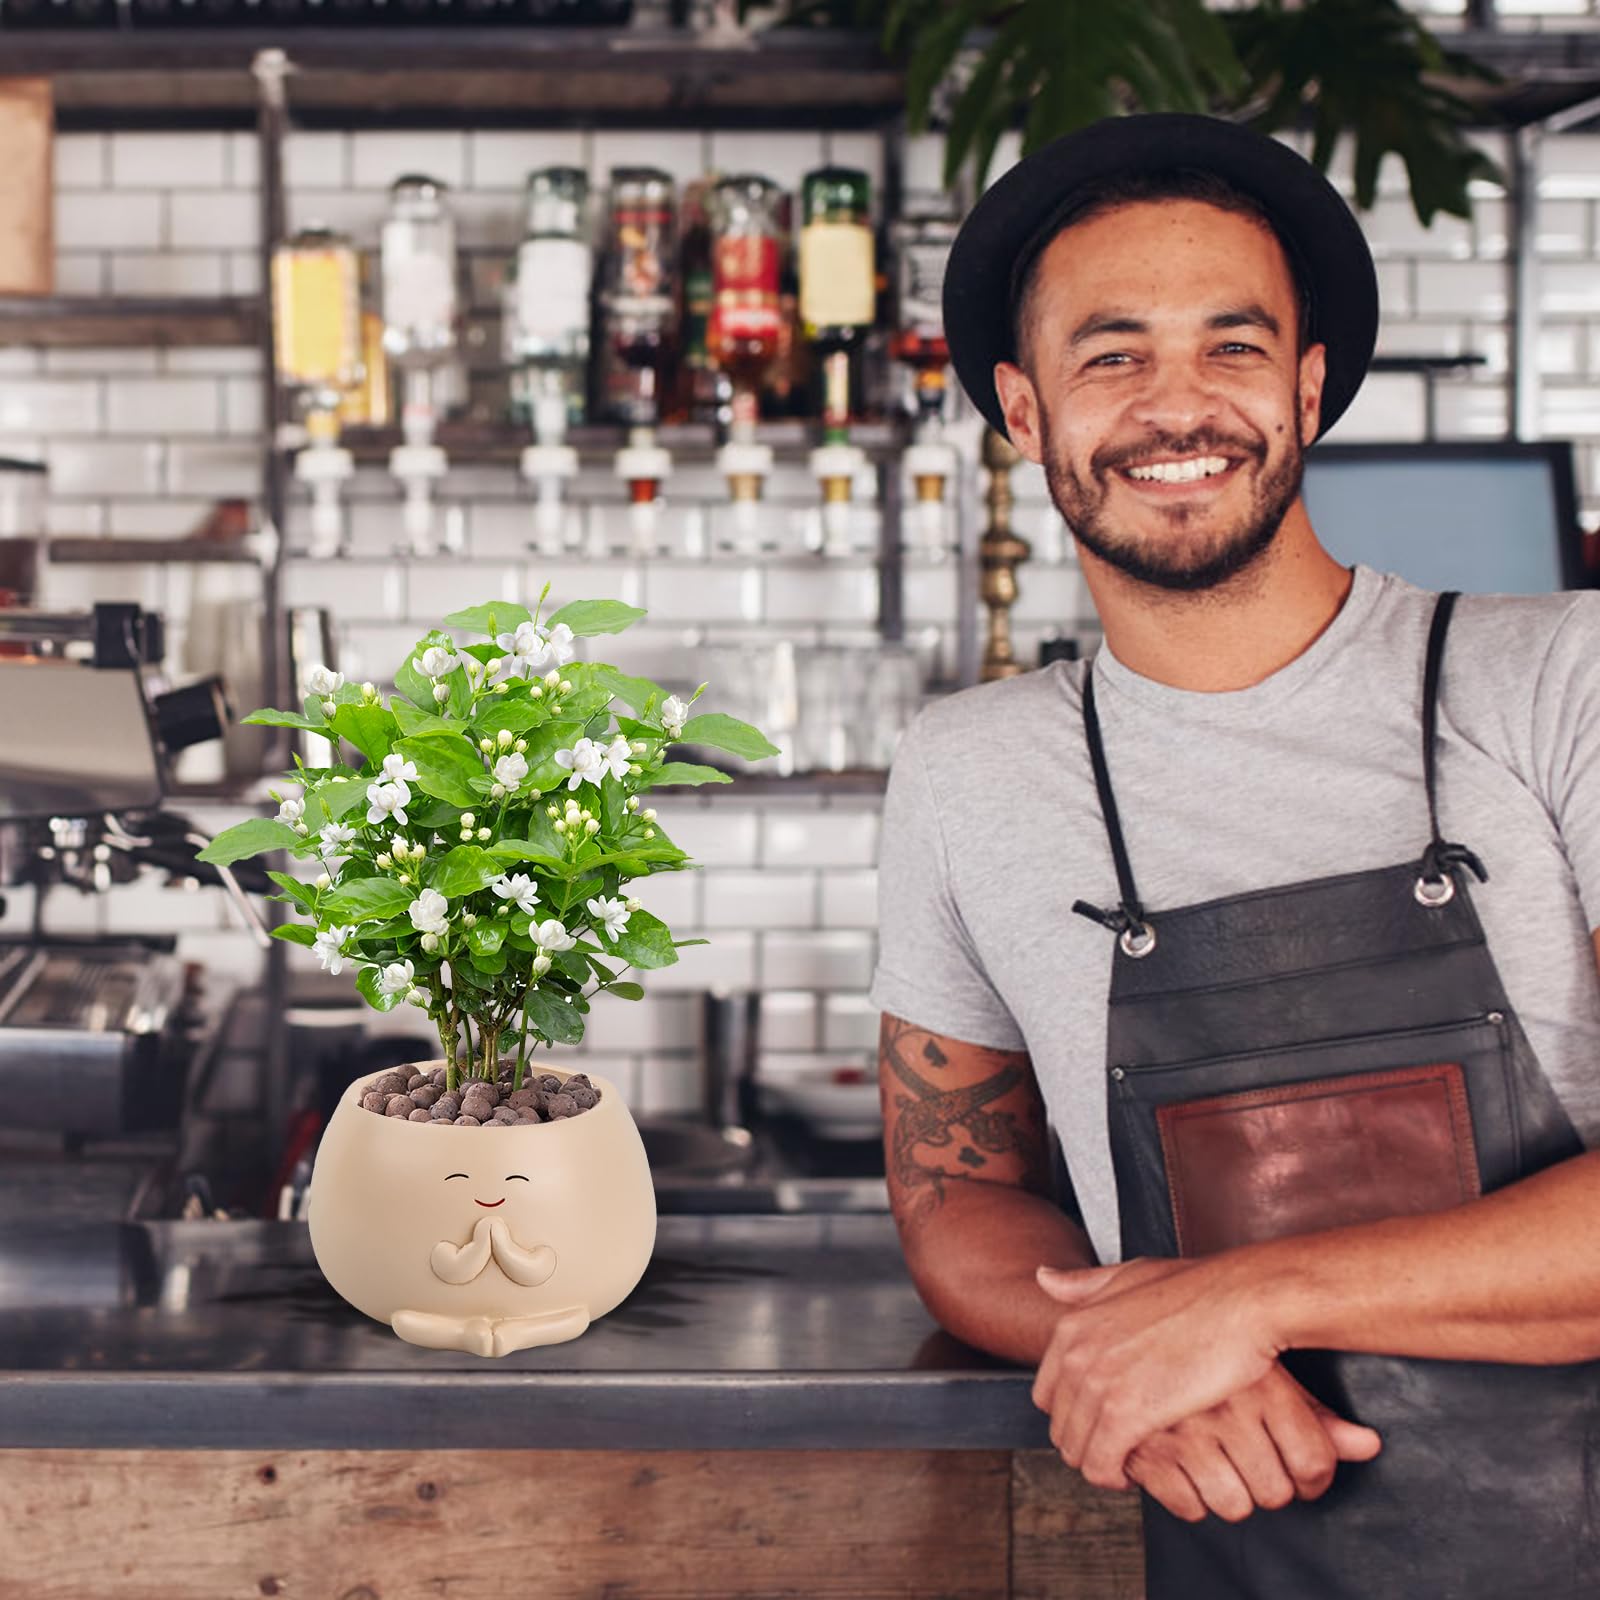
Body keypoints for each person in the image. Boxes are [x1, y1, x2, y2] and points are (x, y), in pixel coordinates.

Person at [869, 112, 1600, 1600]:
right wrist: (1141, 1342)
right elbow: (955, 1200)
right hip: (1238, 1556)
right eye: (1113, 352)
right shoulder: (969, 770)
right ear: (1025, 409)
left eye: (1235, 347)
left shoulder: (1559, 681)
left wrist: (1228, 1310)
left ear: (1310, 388)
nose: (1176, 405)